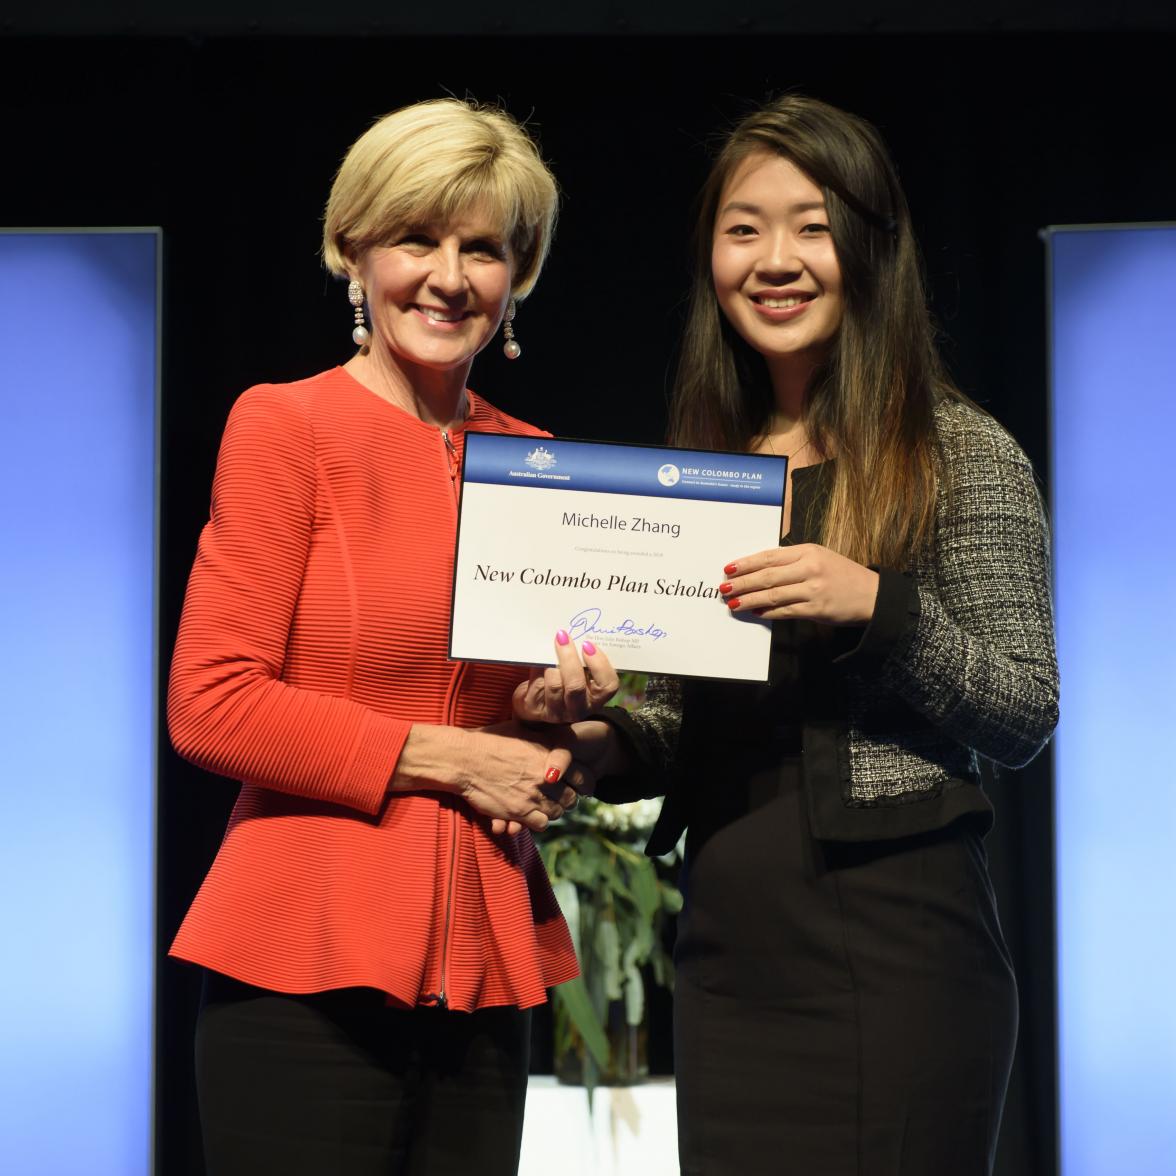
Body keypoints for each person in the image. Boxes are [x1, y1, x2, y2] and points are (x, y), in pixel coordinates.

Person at [544, 95, 1059, 1175]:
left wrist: (878, 606)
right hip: (732, 956)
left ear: (871, 246)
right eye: (744, 229)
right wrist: (604, 742)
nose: (775, 259)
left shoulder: (959, 453)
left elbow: (1023, 712)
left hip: (901, 955)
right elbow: (688, 720)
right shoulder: (710, 468)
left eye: (812, 224)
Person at [167, 98, 616, 1176]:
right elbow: (211, 701)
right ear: (352, 251)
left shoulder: (537, 459)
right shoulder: (286, 425)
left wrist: (558, 718)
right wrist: (452, 757)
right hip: (301, 955)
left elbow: (507, 710)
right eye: (417, 238)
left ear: (522, 273)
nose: (449, 277)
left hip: (482, 954)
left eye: (484, 249)